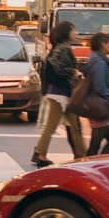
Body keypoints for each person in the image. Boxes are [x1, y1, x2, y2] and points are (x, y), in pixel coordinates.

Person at [30, 20, 86, 167]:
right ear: (67, 33)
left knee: (69, 126)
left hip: (57, 92)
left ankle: (79, 154)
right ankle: (80, 155)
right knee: (67, 126)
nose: (75, 33)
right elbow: (59, 68)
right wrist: (74, 72)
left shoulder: (59, 48)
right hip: (61, 93)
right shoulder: (64, 49)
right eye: (73, 30)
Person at [80, 32, 109, 155]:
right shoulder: (100, 63)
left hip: (97, 106)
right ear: (103, 44)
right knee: (108, 141)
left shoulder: (96, 60)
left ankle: (93, 161)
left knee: (100, 141)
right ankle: (93, 162)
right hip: (101, 107)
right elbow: (100, 87)